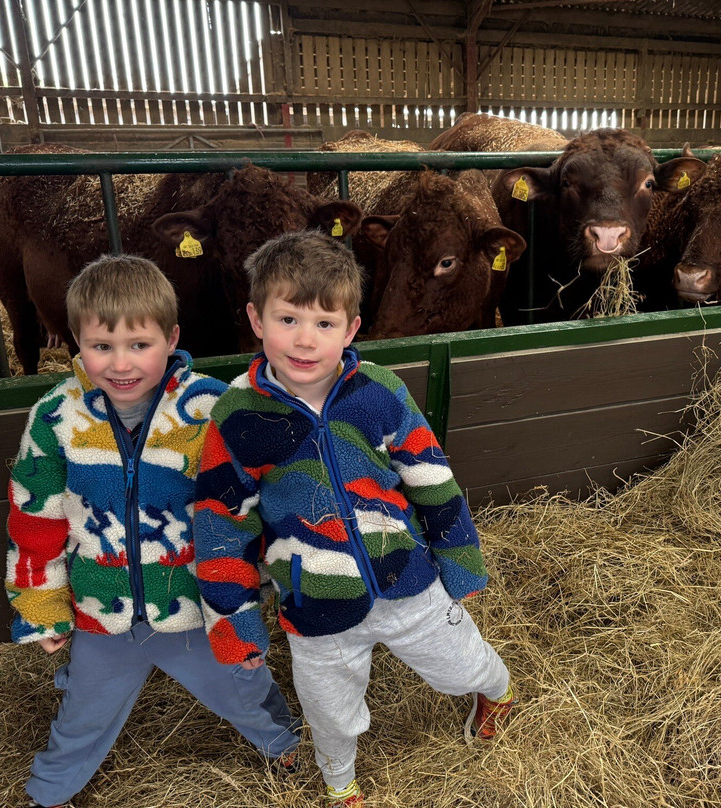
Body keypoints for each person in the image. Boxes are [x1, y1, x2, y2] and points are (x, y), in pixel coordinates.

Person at [193, 232, 515, 808]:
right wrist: (233, 623)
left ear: (352, 328)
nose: (304, 339)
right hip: (315, 602)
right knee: (329, 711)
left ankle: (497, 691)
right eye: (287, 318)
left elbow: (430, 476)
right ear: (255, 318)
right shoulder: (237, 416)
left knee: (463, 662)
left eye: (324, 323)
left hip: (408, 578)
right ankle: (341, 782)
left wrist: (460, 561)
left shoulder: (378, 391)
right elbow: (222, 522)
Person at [5, 255, 301, 808]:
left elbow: (248, 509)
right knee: (82, 717)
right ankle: (49, 792)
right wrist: (41, 606)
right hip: (101, 612)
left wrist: (260, 590)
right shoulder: (55, 418)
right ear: (75, 341)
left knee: (242, 683)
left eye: (139, 344)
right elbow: (34, 516)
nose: (121, 364)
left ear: (172, 338)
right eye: (101, 345)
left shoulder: (210, 408)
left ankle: (284, 744)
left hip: (195, 606)